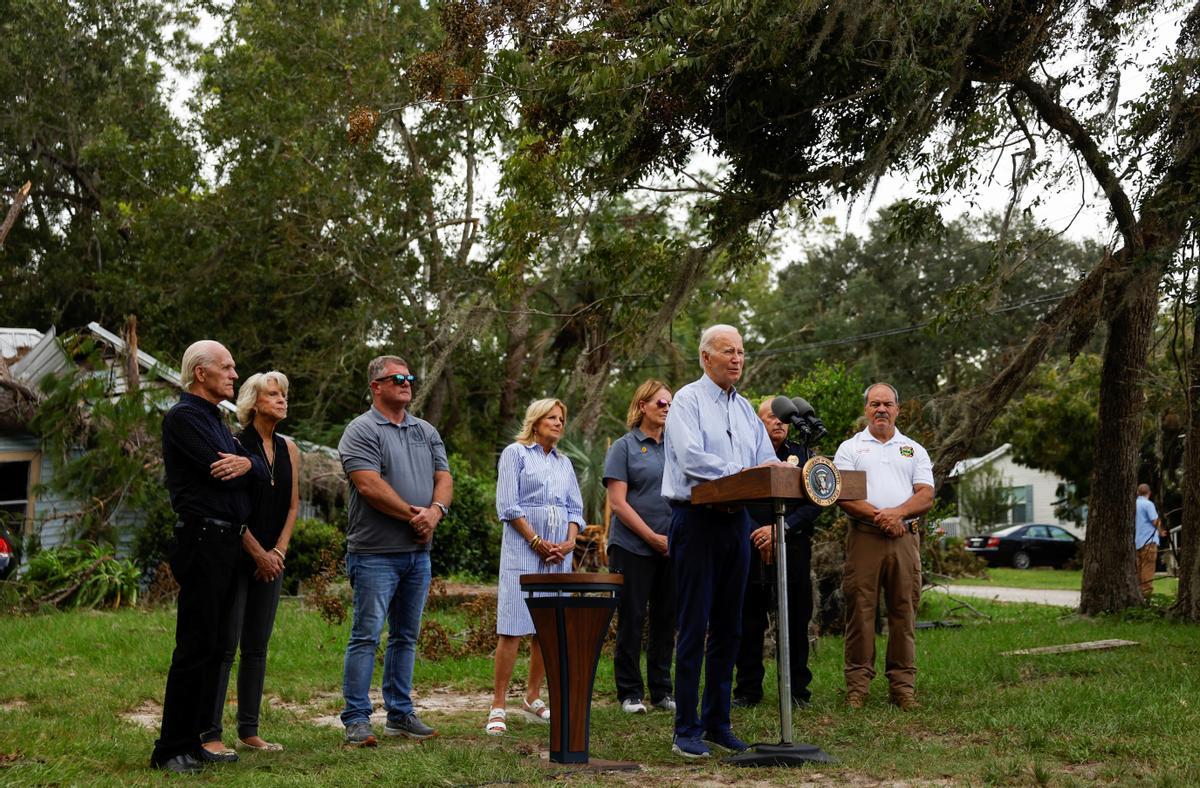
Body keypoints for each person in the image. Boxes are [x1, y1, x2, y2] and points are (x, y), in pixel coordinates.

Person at [661, 324, 779, 759]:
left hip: (737, 524)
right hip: (696, 520)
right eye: (728, 351)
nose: (737, 359)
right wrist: (742, 475)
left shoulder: (746, 409)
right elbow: (691, 459)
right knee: (694, 627)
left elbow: (765, 458)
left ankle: (717, 722)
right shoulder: (686, 402)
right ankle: (685, 730)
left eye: (742, 352)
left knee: (730, 628)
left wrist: (777, 469)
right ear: (705, 357)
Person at [151, 340, 267, 774]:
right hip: (202, 540)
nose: (235, 375)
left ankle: (197, 739)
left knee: (217, 645)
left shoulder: (217, 419)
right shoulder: (184, 417)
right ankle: (169, 748)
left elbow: (256, 478)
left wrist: (249, 466)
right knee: (195, 645)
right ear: (201, 372)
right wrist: (246, 466)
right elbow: (219, 474)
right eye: (228, 367)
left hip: (225, 542)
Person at [338, 355, 453, 746]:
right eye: (397, 378)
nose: (406, 382)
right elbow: (368, 485)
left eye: (409, 377)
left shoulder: (426, 430)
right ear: (376, 386)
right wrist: (413, 516)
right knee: (367, 635)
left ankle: (400, 714)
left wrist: (435, 513)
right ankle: (356, 718)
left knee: (406, 635)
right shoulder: (361, 430)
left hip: (417, 554)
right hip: (374, 553)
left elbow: (444, 478)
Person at [201, 371, 299, 757]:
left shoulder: (290, 448)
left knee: (257, 647)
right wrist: (258, 552)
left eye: (284, 395)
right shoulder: (235, 444)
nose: (282, 400)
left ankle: (250, 731)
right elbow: (227, 506)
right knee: (226, 645)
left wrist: (278, 553)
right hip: (238, 557)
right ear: (253, 402)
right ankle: (210, 732)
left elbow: (292, 506)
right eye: (273, 394)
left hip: (273, 560)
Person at [833, 383, 934, 711]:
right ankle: (857, 688)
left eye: (887, 404)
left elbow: (925, 494)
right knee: (860, 612)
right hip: (865, 538)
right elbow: (843, 496)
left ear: (897, 409)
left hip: (904, 539)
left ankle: (903, 688)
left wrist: (898, 515)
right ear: (866, 410)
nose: (881, 409)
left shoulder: (913, 449)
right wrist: (882, 518)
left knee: (903, 611)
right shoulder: (850, 449)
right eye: (875, 404)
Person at [487, 399, 584, 735]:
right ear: (536, 420)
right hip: (524, 551)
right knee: (512, 627)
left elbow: (575, 508)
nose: (558, 423)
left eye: (562, 418)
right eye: (552, 418)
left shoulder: (565, 463)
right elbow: (508, 505)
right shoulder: (515, 454)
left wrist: (568, 542)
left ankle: (532, 697)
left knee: (547, 628)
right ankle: (498, 704)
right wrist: (536, 541)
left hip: (559, 555)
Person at [733, 398, 822, 710]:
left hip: (793, 545)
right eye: (771, 416)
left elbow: (817, 500)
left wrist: (781, 530)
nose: (779, 422)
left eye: (784, 417)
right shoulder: (744, 453)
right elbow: (735, 495)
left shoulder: (802, 454)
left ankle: (797, 691)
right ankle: (747, 691)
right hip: (751, 544)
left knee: (796, 620)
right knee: (750, 621)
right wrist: (760, 533)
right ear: (757, 421)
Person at [604, 380, 676, 716]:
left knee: (665, 619)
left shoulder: (676, 447)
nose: (666, 408)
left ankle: (662, 690)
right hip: (632, 546)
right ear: (642, 405)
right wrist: (651, 537)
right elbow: (618, 503)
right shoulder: (625, 447)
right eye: (660, 402)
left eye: (670, 404)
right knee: (632, 618)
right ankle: (630, 692)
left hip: (672, 548)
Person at [1135, 483, 1165, 597]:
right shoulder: (1148, 504)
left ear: (1138, 492)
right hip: (1149, 541)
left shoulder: (1133, 504)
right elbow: (1154, 520)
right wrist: (1161, 531)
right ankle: (1146, 595)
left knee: (1138, 569)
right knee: (1148, 568)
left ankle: (1137, 593)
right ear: (1149, 493)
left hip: (1137, 542)